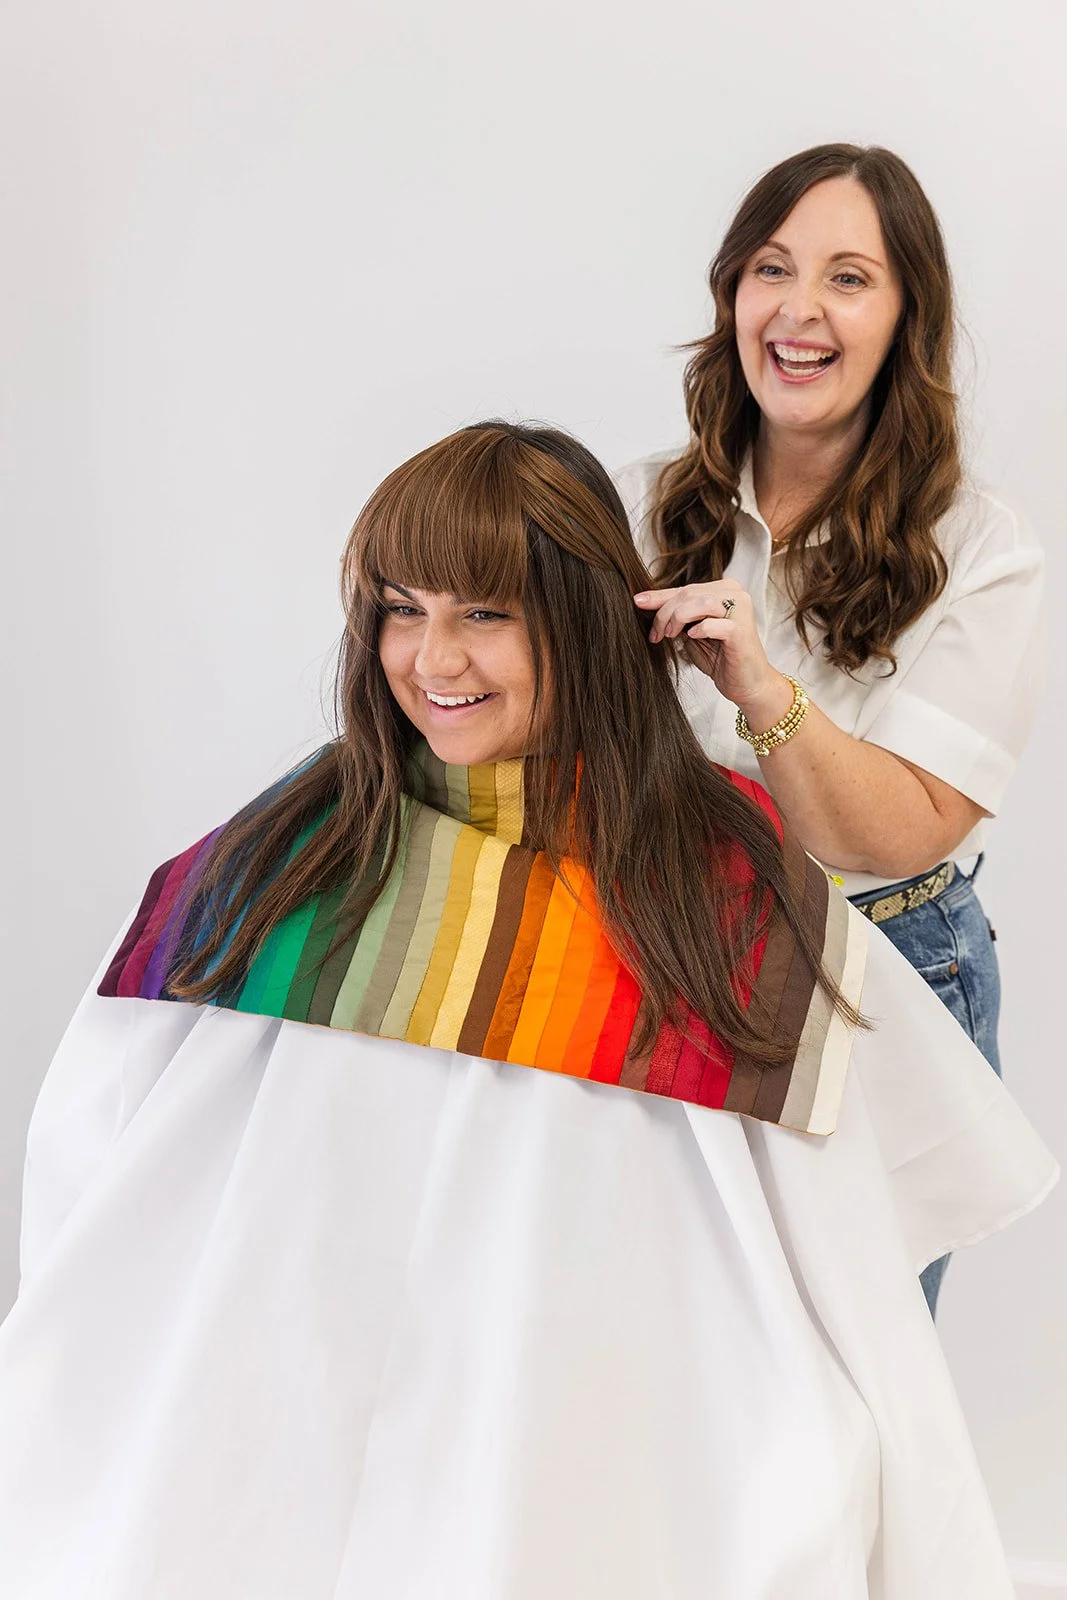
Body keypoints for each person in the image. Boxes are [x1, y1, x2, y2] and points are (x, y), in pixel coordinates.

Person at [0, 423, 1054, 1600]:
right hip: (283, 1464)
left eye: (483, 613)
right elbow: (103, 1167)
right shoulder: (290, 857)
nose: (430, 657)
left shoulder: (711, 877)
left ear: (579, 620)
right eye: (401, 608)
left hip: (620, 1483)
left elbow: (850, 1249)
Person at [620, 143, 1045, 1313]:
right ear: (731, 297)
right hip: (676, 956)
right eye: (771, 268)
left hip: (888, 966)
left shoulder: (980, 548)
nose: (799, 310)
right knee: (696, 1365)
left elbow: (899, 832)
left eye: (848, 278)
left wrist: (760, 690)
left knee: (858, 1389)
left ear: (906, 318)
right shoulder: (639, 503)